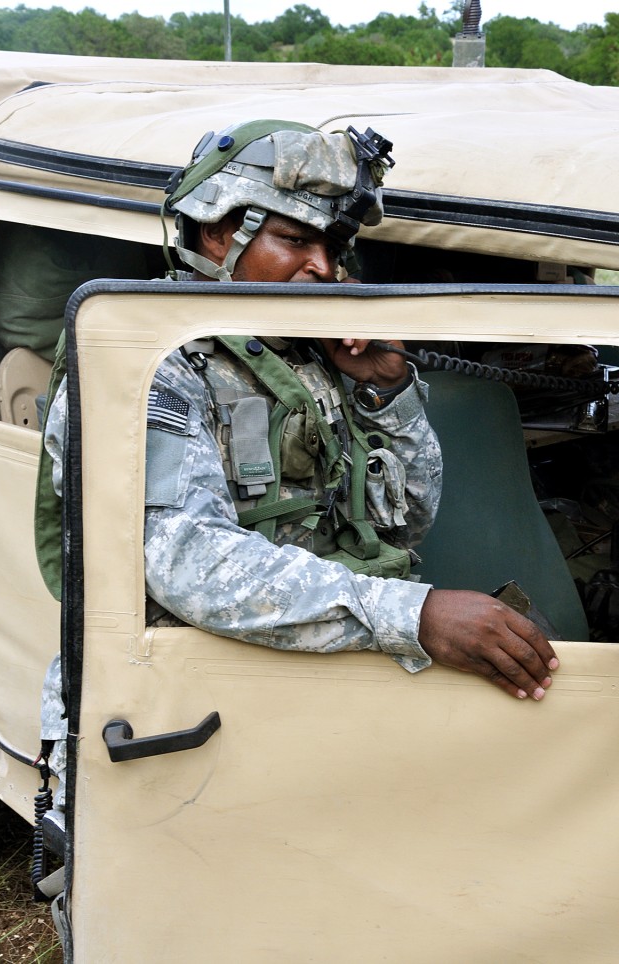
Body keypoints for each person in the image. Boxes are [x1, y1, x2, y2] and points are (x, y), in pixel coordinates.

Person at [42, 119, 559, 729]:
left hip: (314, 681)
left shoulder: (312, 356)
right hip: (176, 707)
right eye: (294, 240)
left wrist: (386, 391)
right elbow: (187, 562)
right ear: (216, 234)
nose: (321, 269)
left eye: (332, 250)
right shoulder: (147, 362)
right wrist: (413, 616)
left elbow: (403, 527)